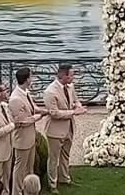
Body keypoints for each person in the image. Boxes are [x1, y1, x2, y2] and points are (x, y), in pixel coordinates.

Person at [43, 63, 86, 191]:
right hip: (55, 131)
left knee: (66, 155)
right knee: (53, 159)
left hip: (69, 128)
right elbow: (54, 113)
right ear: (64, 76)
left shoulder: (70, 87)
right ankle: (52, 185)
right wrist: (74, 112)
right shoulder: (50, 92)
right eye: (72, 75)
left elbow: (75, 100)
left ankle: (64, 178)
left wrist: (78, 106)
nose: (74, 77)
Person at [9, 66, 44, 192]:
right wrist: (39, 117)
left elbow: (34, 108)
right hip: (22, 140)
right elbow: (22, 121)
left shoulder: (26, 93)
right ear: (27, 79)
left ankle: (30, 190)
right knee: (19, 169)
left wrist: (47, 111)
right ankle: (17, 192)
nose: (32, 79)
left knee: (30, 168)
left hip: (30, 138)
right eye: (31, 76)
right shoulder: (15, 98)